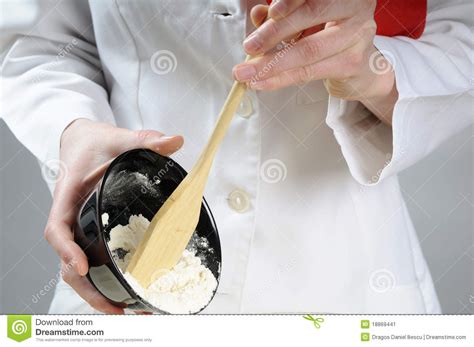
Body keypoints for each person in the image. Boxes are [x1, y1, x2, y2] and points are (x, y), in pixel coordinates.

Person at [1, 0, 472, 314]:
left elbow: (462, 29)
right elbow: (37, 42)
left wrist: (375, 71)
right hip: (125, 263)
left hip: (344, 282)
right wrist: (73, 129)